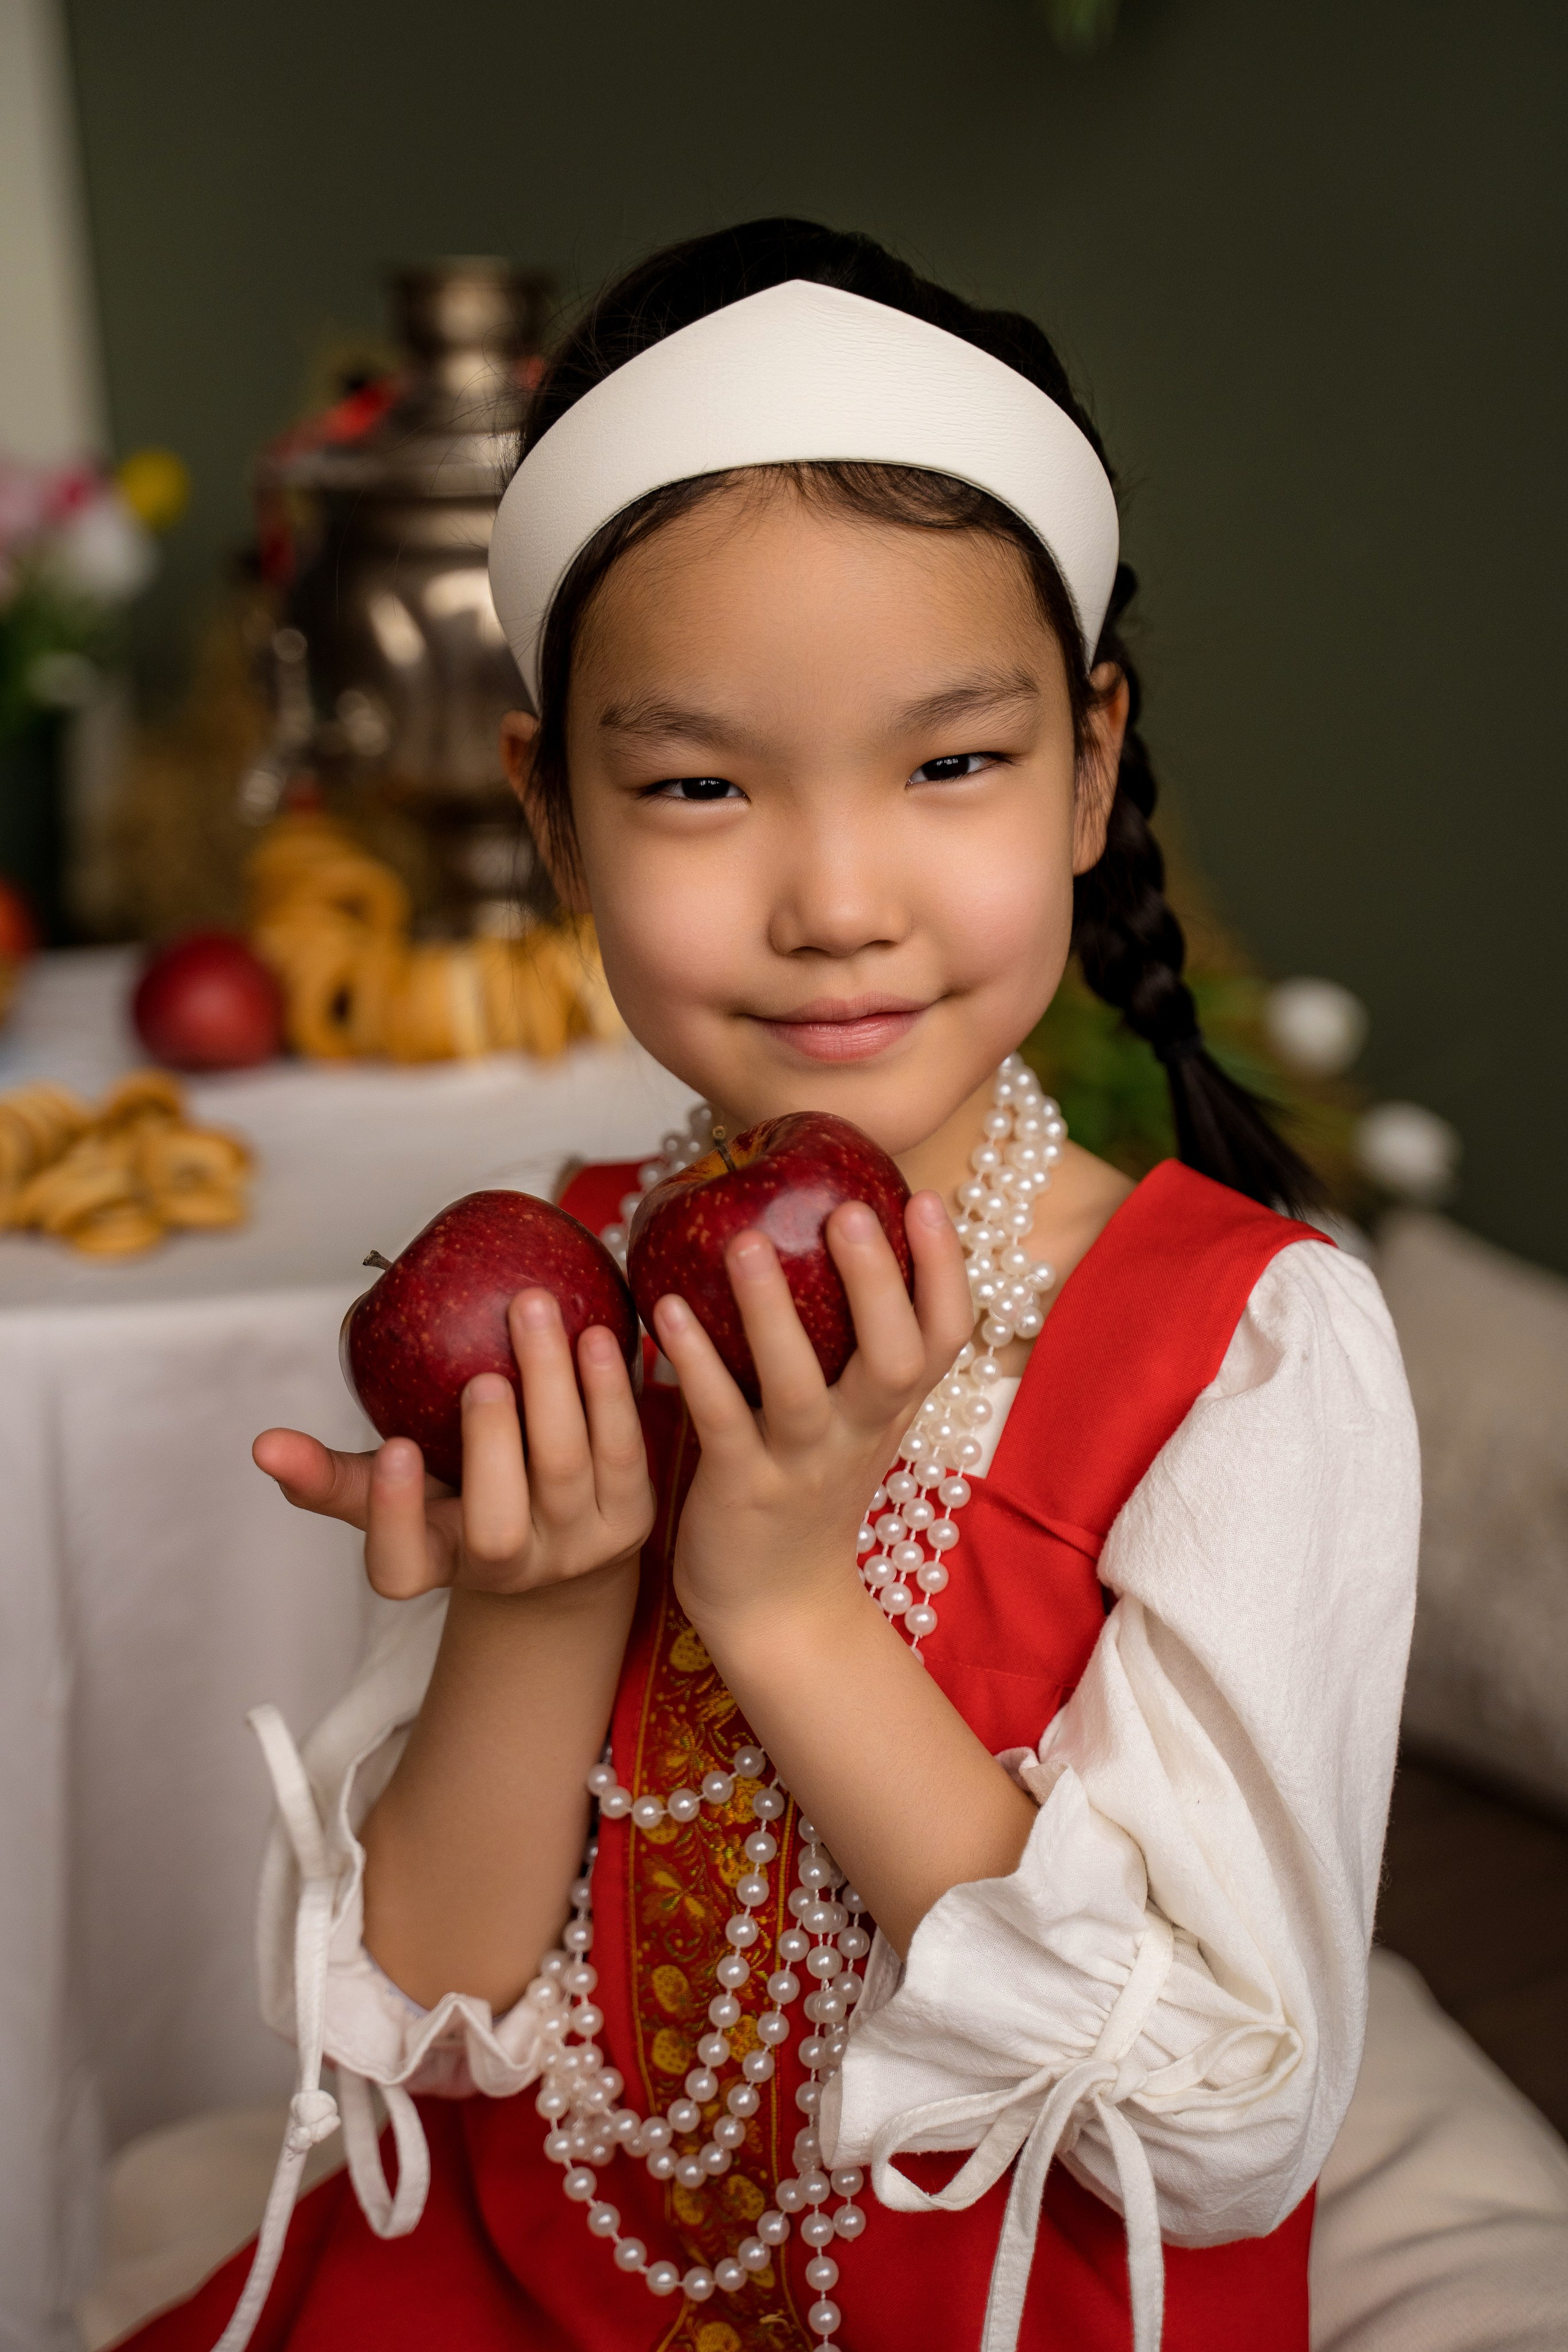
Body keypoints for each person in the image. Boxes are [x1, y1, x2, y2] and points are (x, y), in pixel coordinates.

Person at [126, 220, 1419, 2352]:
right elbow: (426, 2022)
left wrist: (784, 1597)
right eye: (700, 783)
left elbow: (1211, 2137)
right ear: (553, 813)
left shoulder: (1249, 1358)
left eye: (951, 764)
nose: (834, 900)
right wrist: (543, 1596)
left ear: (1092, 767)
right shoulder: (570, 1269)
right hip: (520, 2281)